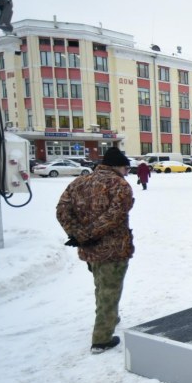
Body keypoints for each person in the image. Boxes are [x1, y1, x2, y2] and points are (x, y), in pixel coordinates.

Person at [56, 147, 134, 354]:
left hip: (89, 250)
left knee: (101, 286)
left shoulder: (79, 182)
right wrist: (87, 234)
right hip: (113, 249)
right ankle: (101, 340)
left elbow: (62, 210)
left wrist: (76, 233)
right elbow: (115, 215)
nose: (127, 173)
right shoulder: (119, 185)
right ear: (117, 166)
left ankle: (110, 317)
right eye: (126, 169)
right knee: (109, 291)